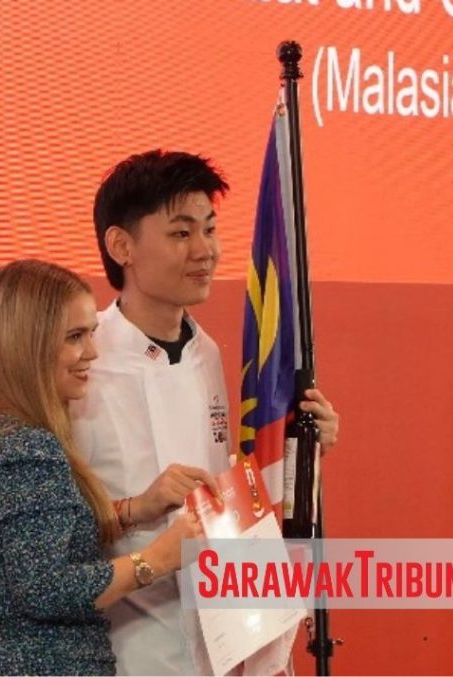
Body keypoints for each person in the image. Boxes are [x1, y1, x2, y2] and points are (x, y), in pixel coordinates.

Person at [70, 150, 341, 675]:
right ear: (122, 246)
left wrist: (301, 450)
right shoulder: (84, 358)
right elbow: (50, 521)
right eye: (181, 233)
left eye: (210, 230)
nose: (205, 250)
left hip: (217, 640)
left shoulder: (211, 356)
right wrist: (138, 507)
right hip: (118, 645)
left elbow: (233, 493)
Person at [0, 259, 203, 676]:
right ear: (25, 346)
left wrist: (135, 509)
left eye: (91, 333)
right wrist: (158, 558)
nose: (92, 352)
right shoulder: (28, 448)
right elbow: (46, 589)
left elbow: (42, 541)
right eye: (74, 337)